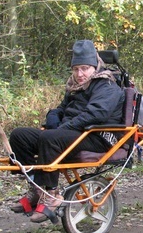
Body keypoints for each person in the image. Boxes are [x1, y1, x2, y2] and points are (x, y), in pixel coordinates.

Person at [9, 40, 125, 223]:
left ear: (95, 67)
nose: (80, 74)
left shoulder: (106, 85)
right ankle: (37, 188)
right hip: (73, 133)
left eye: (85, 68)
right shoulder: (75, 87)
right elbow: (61, 109)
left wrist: (62, 128)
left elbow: (96, 114)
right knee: (19, 135)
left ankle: (52, 193)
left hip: (98, 136)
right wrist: (53, 118)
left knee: (50, 137)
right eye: (76, 69)